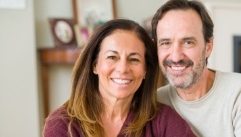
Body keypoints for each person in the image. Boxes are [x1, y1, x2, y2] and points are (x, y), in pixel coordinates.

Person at [43, 19, 196, 137]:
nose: (123, 69)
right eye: (112, 57)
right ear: (94, 65)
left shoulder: (163, 120)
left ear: (145, 71)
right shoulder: (62, 124)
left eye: (134, 59)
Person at [151, 0, 241, 136]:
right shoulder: (156, 101)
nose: (176, 57)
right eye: (165, 43)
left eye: (188, 42)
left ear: (208, 47)